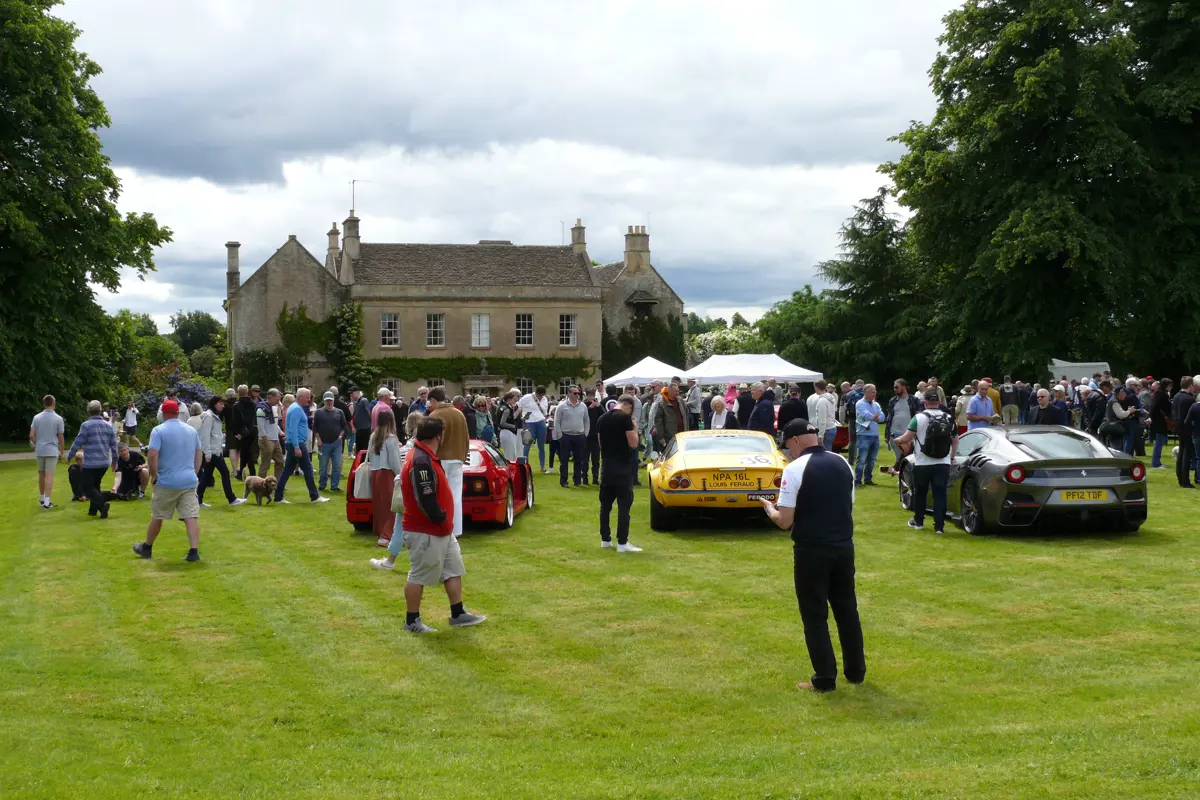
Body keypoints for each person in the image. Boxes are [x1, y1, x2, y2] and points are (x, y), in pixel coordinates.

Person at [761, 420, 865, 693]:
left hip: (812, 550)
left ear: (795, 441)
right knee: (847, 609)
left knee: (814, 614)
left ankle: (825, 678)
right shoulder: (843, 463)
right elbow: (848, 503)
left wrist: (769, 509)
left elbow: (785, 520)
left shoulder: (794, 469)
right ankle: (856, 672)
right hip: (843, 546)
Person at [372, 417, 487, 634]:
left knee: (453, 570)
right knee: (419, 575)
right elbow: (426, 497)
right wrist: (441, 519)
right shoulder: (421, 460)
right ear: (438, 436)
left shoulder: (426, 456)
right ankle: (412, 620)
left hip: (440, 530)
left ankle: (458, 613)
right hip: (426, 530)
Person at [133, 399, 205, 562]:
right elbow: (198, 452)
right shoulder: (191, 430)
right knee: (190, 517)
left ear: (163, 413)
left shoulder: (158, 431)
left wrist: (154, 474)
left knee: (158, 516)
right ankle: (194, 551)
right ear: (178, 413)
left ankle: (147, 547)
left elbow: (152, 454)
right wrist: (194, 471)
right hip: (188, 480)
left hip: (167, 481)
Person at [893, 391, 958, 534]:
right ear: (939, 402)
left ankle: (919, 521)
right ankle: (939, 527)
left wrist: (898, 441)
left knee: (920, 493)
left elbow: (906, 438)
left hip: (923, 462)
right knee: (940, 494)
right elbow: (955, 439)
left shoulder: (919, 418)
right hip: (943, 462)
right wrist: (952, 457)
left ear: (925, 402)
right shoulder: (949, 418)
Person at [597, 394, 642, 551]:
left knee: (605, 506)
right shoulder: (625, 419)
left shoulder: (601, 419)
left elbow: (600, 443)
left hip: (607, 467)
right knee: (624, 506)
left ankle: (605, 540)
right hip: (622, 467)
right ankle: (622, 543)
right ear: (629, 406)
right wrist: (635, 428)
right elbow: (634, 443)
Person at [273, 388, 329, 505]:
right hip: (297, 443)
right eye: (307, 397)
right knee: (308, 469)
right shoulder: (296, 410)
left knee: (287, 470)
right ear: (300, 397)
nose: (309, 399)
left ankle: (278, 496)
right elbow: (292, 429)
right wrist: (297, 447)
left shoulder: (294, 408)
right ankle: (314, 496)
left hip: (295, 443)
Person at [427, 387, 469, 538]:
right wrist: (463, 456)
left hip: (440, 459)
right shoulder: (459, 414)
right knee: (456, 496)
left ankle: (442, 527)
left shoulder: (434, 415)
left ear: (433, 400)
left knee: (439, 495)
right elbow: (466, 438)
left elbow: (431, 441)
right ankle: (456, 530)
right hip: (457, 458)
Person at [66, 400, 119, 519]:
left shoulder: (86, 425)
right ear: (100, 411)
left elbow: (77, 442)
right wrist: (115, 461)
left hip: (91, 462)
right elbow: (114, 445)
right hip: (104, 462)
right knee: (95, 485)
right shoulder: (108, 426)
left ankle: (103, 504)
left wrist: (70, 455)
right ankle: (93, 510)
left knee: (86, 487)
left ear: (88, 412)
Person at [197, 395, 245, 507]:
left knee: (206, 476)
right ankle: (231, 499)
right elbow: (205, 436)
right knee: (225, 473)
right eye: (220, 403)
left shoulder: (214, 416)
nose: (223, 406)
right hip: (213, 452)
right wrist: (208, 453)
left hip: (216, 451)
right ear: (214, 404)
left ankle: (198, 499)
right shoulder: (209, 417)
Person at [365, 407, 403, 544]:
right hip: (387, 473)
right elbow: (394, 461)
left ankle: (381, 532)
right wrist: (401, 475)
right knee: (391, 506)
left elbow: (370, 455)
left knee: (380, 505)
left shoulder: (373, 436)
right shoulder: (391, 439)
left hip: (375, 472)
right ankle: (387, 535)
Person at [30, 394, 66, 508]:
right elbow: (60, 436)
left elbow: (31, 435)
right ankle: (47, 501)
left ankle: (41, 499)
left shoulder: (37, 417)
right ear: (54, 404)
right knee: (49, 475)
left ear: (44, 404)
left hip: (40, 449)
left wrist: (36, 443)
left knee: (41, 474)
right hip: (51, 449)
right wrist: (62, 451)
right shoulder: (58, 419)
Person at [313, 391, 350, 492]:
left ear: (333, 400)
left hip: (337, 443)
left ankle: (334, 486)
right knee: (323, 466)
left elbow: (344, 426)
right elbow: (315, 428)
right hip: (324, 443)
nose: (329, 402)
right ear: (324, 401)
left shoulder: (339, 412)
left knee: (337, 465)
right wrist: (318, 439)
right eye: (327, 401)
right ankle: (322, 485)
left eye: (330, 400)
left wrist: (341, 435)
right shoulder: (319, 412)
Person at [554, 385, 590, 488]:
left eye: (578, 393)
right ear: (569, 394)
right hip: (566, 435)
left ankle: (577, 480)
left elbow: (586, 420)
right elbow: (557, 421)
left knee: (579, 459)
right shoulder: (562, 406)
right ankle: (564, 481)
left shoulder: (583, 406)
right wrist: (560, 435)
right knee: (564, 460)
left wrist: (585, 433)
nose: (577, 395)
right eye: (575, 393)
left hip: (580, 436)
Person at [883, 379, 920, 477]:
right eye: (894, 387)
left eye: (896, 387)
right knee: (900, 457)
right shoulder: (893, 401)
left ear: (904, 387)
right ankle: (901, 476)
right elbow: (889, 418)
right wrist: (887, 435)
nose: (894, 389)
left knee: (906, 458)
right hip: (894, 433)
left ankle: (899, 475)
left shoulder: (914, 400)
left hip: (908, 434)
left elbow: (919, 416)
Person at [852, 384, 884, 487]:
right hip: (863, 435)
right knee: (861, 459)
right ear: (866, 392)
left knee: (871, 460)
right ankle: (857, 481)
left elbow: (883, 417)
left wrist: (874, 417)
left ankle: (868, 479)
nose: (874, 393)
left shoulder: (876, 404)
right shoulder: (860, 403)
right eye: (872, 392)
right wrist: (875, 416)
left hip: (874, 434)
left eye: (875, 391)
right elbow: (864, 415)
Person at [517, 385, 550, 472]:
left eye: (542, 395)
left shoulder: (544, 399)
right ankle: (524, 466)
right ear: (536, 393)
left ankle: (542, 467)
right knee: (526, 445)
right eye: (540, 395)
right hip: (528, 423)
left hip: (541, 422)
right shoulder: (527, 397)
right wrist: (523, 417)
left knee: (541, 446)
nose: (541, 397)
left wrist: (539, 402)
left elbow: (544, 411)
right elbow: (518, 406)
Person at [231, 385, 258, 480]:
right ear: (247, 392)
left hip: (242, 432)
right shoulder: (253, 404)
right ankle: (245, 473)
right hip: (252, 431)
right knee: (246, 452)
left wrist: (236, 433)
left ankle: (250, 472)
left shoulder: (237, 405)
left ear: (238, 392)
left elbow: (235, 421)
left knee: (246, 452)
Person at [652, 381, 689, 452]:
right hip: (669, 436)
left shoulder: (681, 401)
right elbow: (658, 421)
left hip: (682, 434)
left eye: (678, 391)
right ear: (669, 391)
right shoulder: (662, 404)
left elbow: (686, 416)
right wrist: (661, 437)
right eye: (675, 391)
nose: (678, 393)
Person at [1174, 377, 1195, 487]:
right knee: (1186, 455)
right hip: (1187, 428)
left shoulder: (1176, 396)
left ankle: (1180, 477)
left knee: (1181, 453)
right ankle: (1185, 480)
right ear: (1190, 385)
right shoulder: (1189, 399)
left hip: (1178, 427)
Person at [806, 379, 838, 451]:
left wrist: (821, 435)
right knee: (828, 451)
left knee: (824, 452)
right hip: (832, 427)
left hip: (825, 429)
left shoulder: (821, 401)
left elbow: (822, 419)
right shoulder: (831, 397)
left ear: (816, 387)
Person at [1149, 378, 1172, 468]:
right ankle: (1156, 463)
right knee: (1159, 443)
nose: (1171, 387)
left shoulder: (1160, 394)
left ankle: (1157, 462)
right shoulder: (1161, 394)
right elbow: (1156, 407)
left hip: (1159, 421)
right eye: (1170, 385)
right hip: (1160, 421)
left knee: (1159, 443)